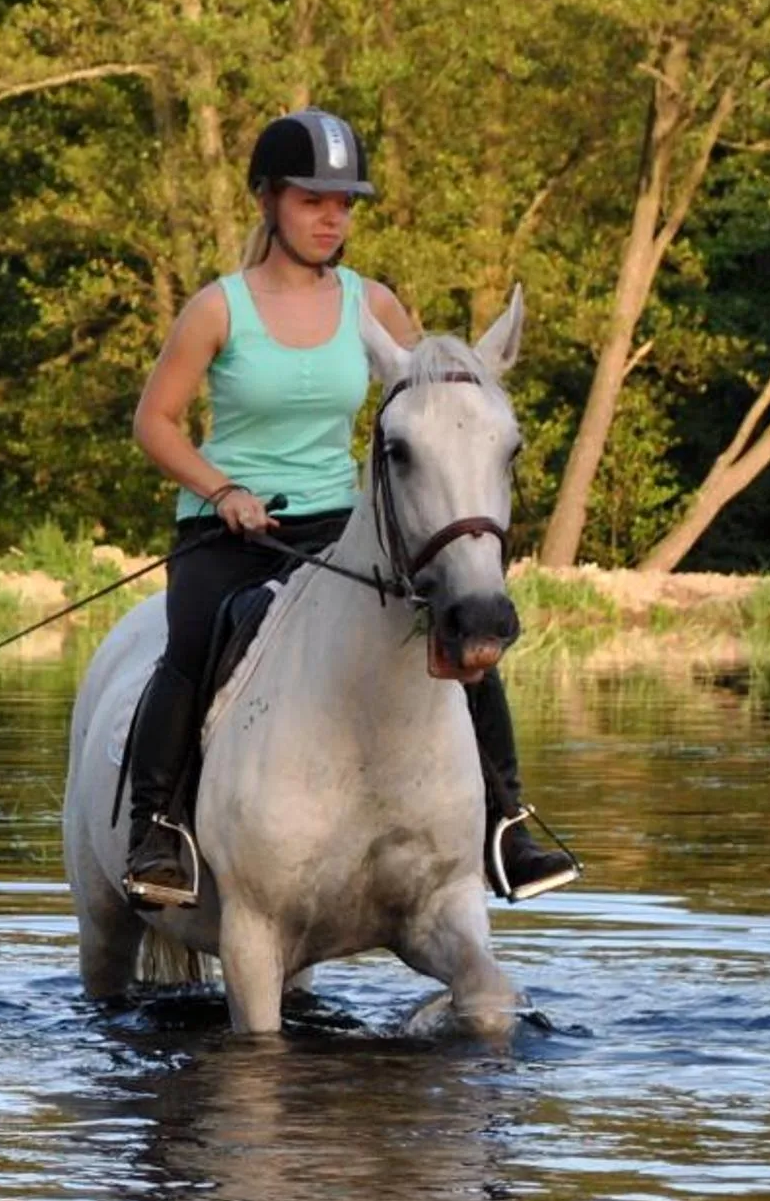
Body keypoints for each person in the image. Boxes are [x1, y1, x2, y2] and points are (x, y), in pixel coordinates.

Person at [120, 106, 578, 910]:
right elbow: (153, 422)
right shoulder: (218, 308)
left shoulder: (374, 306)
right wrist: (223, 491)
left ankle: (506, 822)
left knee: (461, 632)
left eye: (344, 203)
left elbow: (433, 403)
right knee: (189, 649)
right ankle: (157, 829)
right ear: (268, 200)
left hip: (337, 527)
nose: (331, 218)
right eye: (312, 200)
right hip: (227, 529)